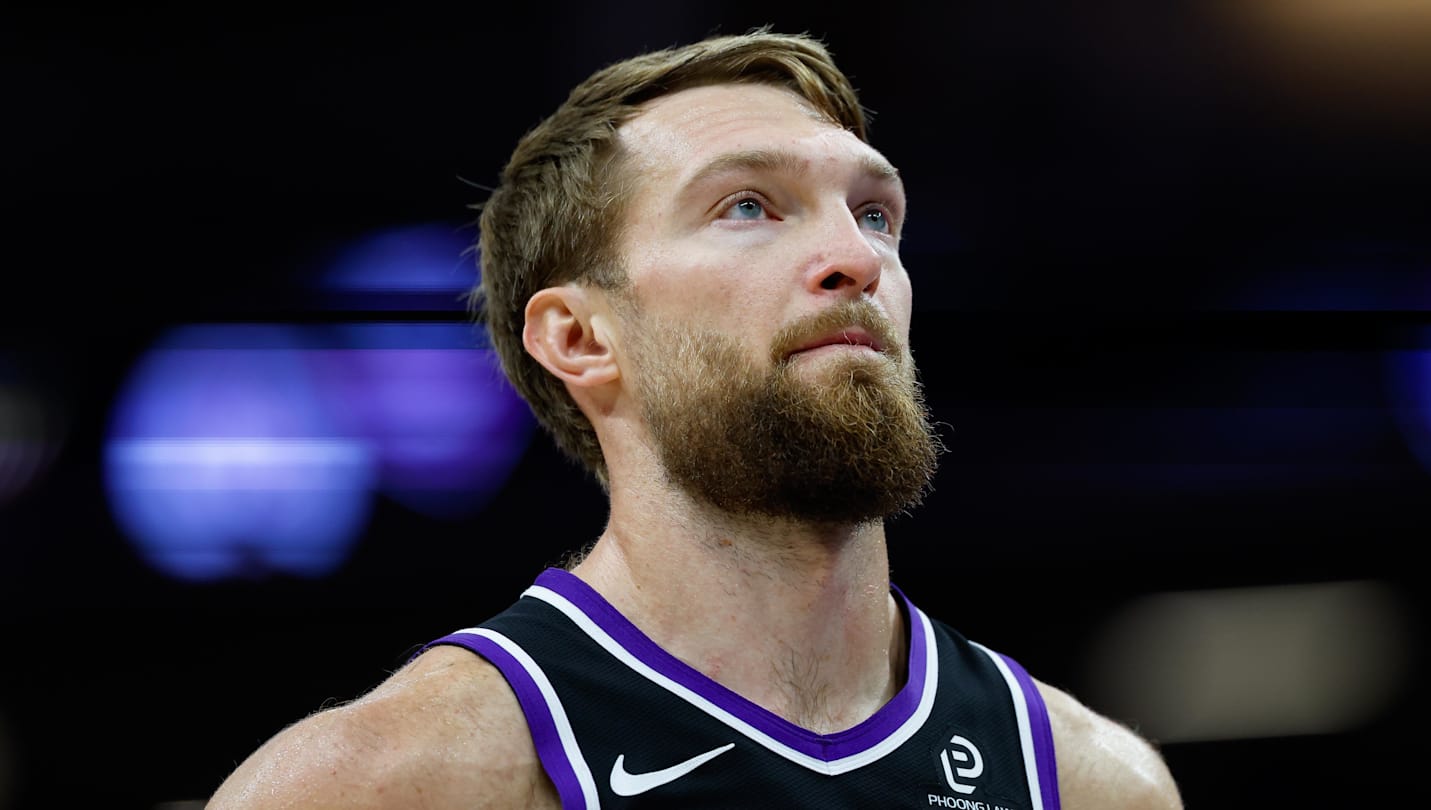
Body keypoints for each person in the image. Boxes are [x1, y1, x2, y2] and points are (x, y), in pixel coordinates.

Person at [207, 28, 1185, 809]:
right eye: (751, 207)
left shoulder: (1093, 783)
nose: (856, 256)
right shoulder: (386, 783)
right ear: (583, 338)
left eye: (876, 213)